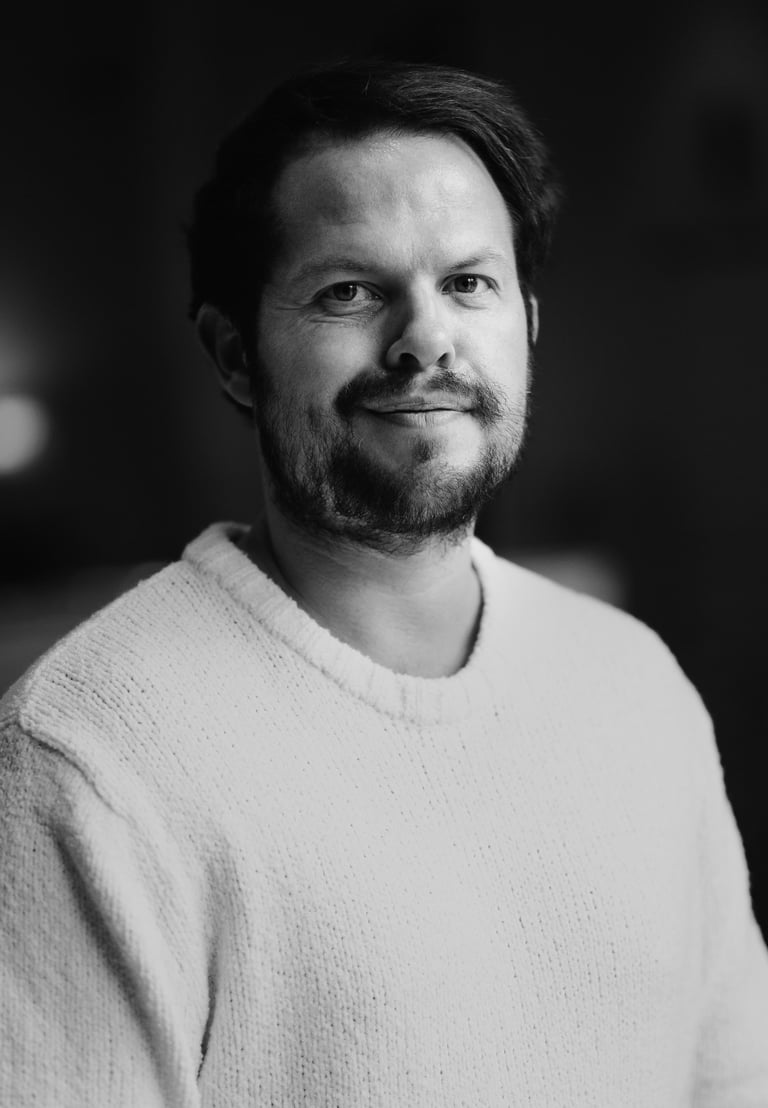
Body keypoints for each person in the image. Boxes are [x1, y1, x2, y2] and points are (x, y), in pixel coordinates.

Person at [1, 57, 766, 1108]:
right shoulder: (86, 755)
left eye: (468, 283)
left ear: (527, 323)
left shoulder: (637, 684)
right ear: (234, 355)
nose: (425, 341)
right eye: (349, 291)